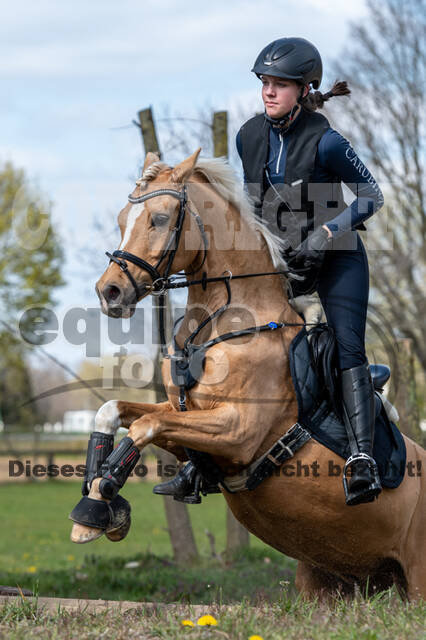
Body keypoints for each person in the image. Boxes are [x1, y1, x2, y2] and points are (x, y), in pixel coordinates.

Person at [153, 37, 384, 506]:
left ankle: (362, 460)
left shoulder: (328, 141)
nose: (269, 92)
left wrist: (324, 234)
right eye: (265, 83)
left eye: (280, 84)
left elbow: (371, 197)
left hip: (337, 259)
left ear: (304, 89)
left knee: (346, 345)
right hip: (289, 262)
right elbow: (255, 207)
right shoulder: (248, 136)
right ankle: (203, 463)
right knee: (229, 335)